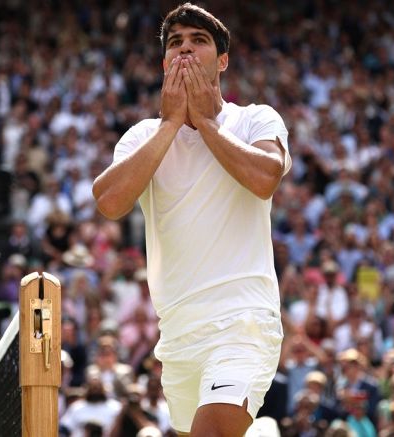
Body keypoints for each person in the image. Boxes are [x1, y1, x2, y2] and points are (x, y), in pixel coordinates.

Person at [92, 4, 290, 435]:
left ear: (222, 61)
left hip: (242, 324)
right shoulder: (143, 135)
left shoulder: (255, 119)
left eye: (198, 41)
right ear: (165, 63)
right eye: (175, 43)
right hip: (178, 336)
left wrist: (204, 121)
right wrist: (170, 124)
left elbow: (265, 178)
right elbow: (108, 201)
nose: (184, 49)